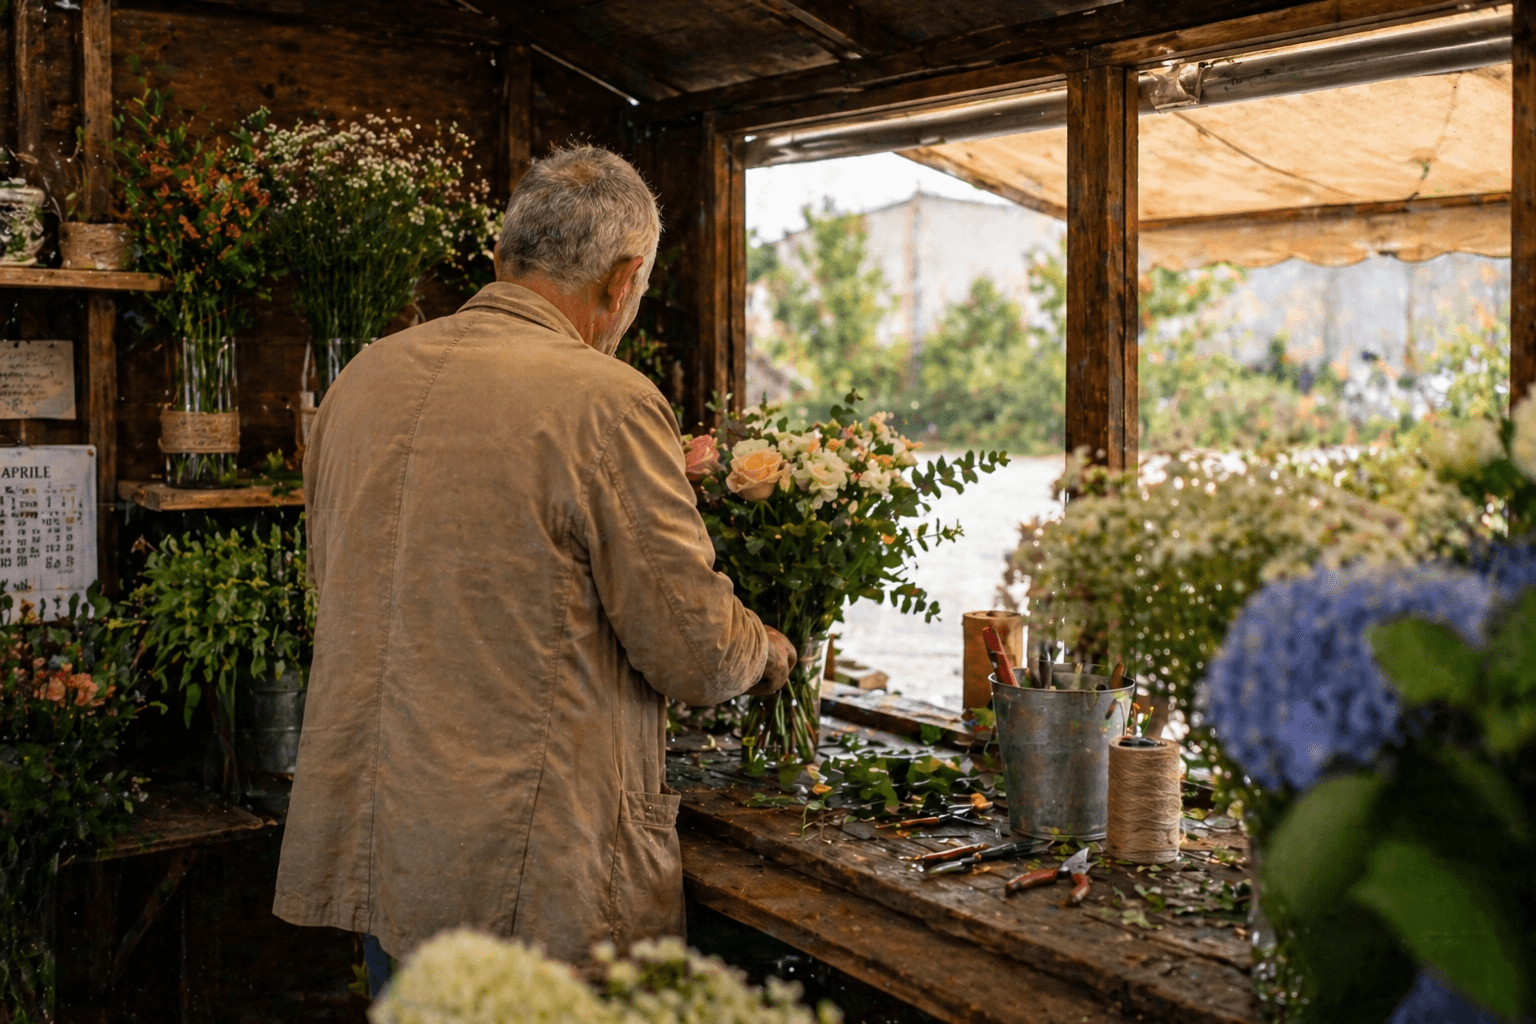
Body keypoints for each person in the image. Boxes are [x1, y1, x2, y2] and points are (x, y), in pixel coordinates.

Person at [272, 145, 797, 992]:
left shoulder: (362, 379)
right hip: (532, 875)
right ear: (624, 280)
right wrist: (768, 652)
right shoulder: (605, 398)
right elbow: (695, 652)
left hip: (395, 845)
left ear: (501, 261)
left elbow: (339, 584)